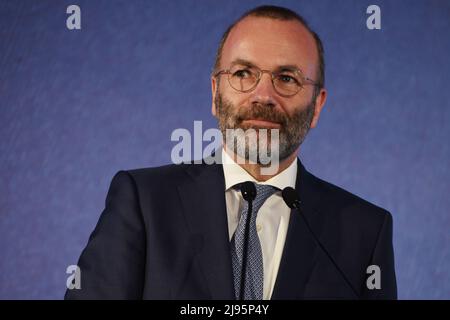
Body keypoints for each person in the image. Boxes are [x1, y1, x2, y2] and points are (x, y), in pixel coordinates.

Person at [65, 5, 397, 300]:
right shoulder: (145, 202)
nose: (263, 95)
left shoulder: (364, 231)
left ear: (317, 106)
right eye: (243, 73)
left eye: (286, 78)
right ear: (215, 92)